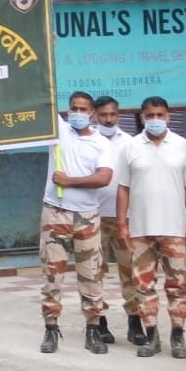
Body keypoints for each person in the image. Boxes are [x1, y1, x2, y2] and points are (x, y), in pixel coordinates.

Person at [115, 96, 186, 359]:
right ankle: (151, 335)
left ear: (168, 116)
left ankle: (178, 336)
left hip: (175, 227)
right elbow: (123, 188)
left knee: (178, 285)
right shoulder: (130, 147)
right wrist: (122, 224)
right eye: (150, 115)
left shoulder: (183, 146)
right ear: (142, 118)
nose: (155, 119)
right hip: (140, 229)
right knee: (143, 285)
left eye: (160, 115)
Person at [38, 91, 113, 355]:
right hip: (55, 212)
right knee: (52, 274)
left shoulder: (101, 143)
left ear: (91, 113)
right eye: (73, 108)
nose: (77, 113)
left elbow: (103, 178)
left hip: (87, 217)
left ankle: (93, 329)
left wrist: (70, 181)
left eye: (83, 109)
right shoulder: (59, 132)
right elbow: (41, 91)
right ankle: (50, 329)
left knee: (91, 275)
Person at [93, 95, 143, 346]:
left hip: (126, 217)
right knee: (94, 272)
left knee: (131, 271)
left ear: (118, 114)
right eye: (103, 115)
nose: (108, 119)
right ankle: (99, 322)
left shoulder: (130, 142)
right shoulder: (87, 140)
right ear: (94, 115)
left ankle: (135, 322)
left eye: (112, 114)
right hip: (94, 216)